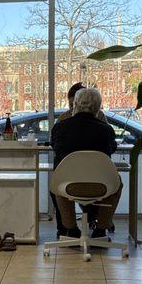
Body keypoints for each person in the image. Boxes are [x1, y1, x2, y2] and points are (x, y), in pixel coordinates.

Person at [51, 88, 121, 239]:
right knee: (117, 184)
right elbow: (112, 149)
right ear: (98, 107)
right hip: (100, 185)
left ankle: (71, 229)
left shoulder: (60, 127)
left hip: (68, 185)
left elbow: (55, 148)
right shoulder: (106, 130)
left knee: (57, 181)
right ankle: (101, 228)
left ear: (75, 104)